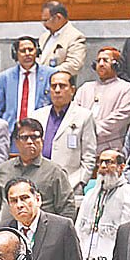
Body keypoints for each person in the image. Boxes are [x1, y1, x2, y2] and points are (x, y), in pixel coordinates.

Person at [0, 118, 77, 221]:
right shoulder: (5, 169)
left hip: (43, 230)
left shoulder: (55, 172)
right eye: (24, 137)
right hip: (8, 229)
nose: (30, 141)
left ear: (42, 141)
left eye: (34, 137)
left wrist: (58, 230)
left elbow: (68, 208)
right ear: (16, 142)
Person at [30, 71, 97, 200]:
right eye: (53, 86)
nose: (57, 90)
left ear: (72, 90)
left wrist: (81, 181)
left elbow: (89, 156)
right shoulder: (37, 115)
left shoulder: (84, 116)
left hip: (71, 185)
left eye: (62, 86)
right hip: (38, 184)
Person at [77, 150, 130, 260]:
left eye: (108, 162)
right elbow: (78, 227)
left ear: (121, 167)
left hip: (114, 258)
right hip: (86, 257)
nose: (103, 166)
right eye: (100, 162)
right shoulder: (90, 194)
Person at [75, 48, 130, 153]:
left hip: (109, 148)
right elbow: (74, 113)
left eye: (105, 60)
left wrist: (90, 131)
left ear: (116, 65)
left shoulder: (126, 89)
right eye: (98, 61)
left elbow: (119, 119)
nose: (100, 64)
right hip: (82, 145)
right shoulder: (85, 88)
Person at [0, 37, 55, 131]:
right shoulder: (4, 77)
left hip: (41, 130)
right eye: (23, 51)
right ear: (15, 54)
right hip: (12, 131)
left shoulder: (50, 74)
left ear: (37, 51)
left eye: (30, 50)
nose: (27, 54)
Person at [37, 1, 87, 76]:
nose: (44, 24)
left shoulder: (75, 37)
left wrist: (48, 72)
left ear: (58, 17)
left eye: (46, 20)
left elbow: (74, 64)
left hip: (59, 80)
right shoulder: (44, 37)